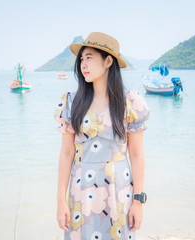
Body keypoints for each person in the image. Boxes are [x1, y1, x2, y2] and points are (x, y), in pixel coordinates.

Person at [54, 32, 150, 240]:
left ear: (108, 61)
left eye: (89, 58)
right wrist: (61, 202)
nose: (83, 64)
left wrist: (138, 201)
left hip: (119, 191)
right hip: (81, 192)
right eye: (81, 59)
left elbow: (136, 154)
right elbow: (66, 154)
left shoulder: (129, 102)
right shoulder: (72, 102)